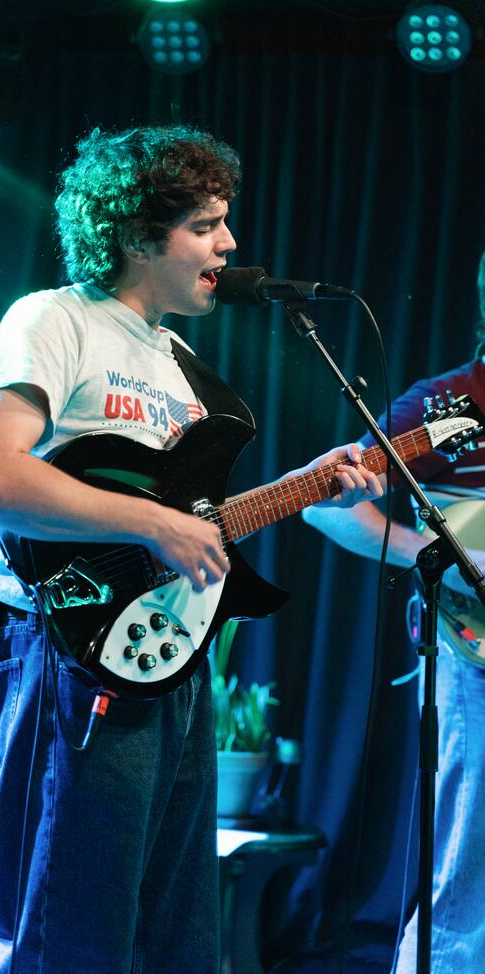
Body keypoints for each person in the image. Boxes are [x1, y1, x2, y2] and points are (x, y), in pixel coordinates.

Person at [0, 124, 383, 974]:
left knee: (177, 932)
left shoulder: (182, 364)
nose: (228, 244)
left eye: (225, 222)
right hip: (64, 653)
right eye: (204, 225)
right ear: (140, 235)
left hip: (166, 655)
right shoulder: (55, 318)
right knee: (68, 925)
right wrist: (152, 525)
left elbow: (190, 514)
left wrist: (305, 480)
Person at [302, 252, 485, 974]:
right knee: (467, 879)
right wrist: (443, 558)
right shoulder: (449, 407)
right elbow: (324, 501)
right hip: (473, 664)